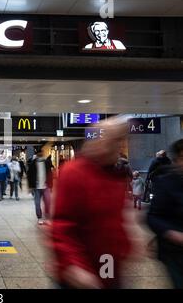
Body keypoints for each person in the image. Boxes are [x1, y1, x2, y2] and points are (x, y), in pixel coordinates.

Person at [50, 117, 132, 289]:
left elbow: (113, 219)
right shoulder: (73, 172)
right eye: (114, 141)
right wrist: (74, 266)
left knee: (107, 283)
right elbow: (61, 225)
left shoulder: (115, 174)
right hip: (79, 271)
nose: (119, 147)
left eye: (120, 141)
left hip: (107, 261)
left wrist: (126, 245)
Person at [147, 139, 183, 288]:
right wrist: (171, 233)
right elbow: (153, 216)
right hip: (176, 252)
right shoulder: (166, 182)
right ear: (176, 161)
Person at [27, 149, 54, 225]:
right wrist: (30, 186)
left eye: (41, 153)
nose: (40, 154)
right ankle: (39, 217)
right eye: (39, 153)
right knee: (37, 203)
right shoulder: (33, 163)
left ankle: (47, 217)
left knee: (48, 202)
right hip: (37, 187)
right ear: (37, 154)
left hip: (45, 186)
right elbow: (29, 175)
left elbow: (50, 174)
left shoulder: (46, 162)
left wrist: (51, 185)